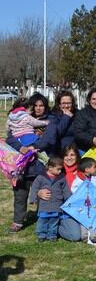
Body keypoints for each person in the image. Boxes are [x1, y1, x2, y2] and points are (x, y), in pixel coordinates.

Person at [7, 93, 58, 233]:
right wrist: (21, 148)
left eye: (41, 105)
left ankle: (42, 217)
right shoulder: (20, 120)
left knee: (43, 192)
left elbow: (50, 140)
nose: (38, 108)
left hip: (40, 164)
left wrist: (34, 147)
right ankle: (18, 220)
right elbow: (10, 139)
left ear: (46, 107)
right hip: (22, 166)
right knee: (20, 193)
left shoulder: (50, 121)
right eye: (35, 105)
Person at [29, 157, 70, 242]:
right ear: (50, 168)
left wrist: (68, 200)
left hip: (56, 205)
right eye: (58, 169)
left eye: (61, 169)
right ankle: (41, 234)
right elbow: (34, 187)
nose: (60, 171)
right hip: (44, 205)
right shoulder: (41, 177)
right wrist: (33, 199)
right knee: (42, 220)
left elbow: (66, 190)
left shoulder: (62, 178)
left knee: (54, 221)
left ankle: (52, 235)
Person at [70, 157, 96, 243]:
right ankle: (85, 236)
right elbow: (74, 190)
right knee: (84, 220)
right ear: (87, 169)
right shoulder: (78, 180)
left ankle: (94, 236)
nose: (95, 168)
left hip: (95, 204)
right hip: (84, 205)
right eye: (94, 167)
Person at [58, 144, 82, 241]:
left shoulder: (83, 170)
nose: (69, 158)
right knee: (75, 236)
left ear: (77, 156)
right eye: (66, 155)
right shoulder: (57, 170)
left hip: (80, 208)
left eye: (72, 155)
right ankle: (54, 227)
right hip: (64, 210)